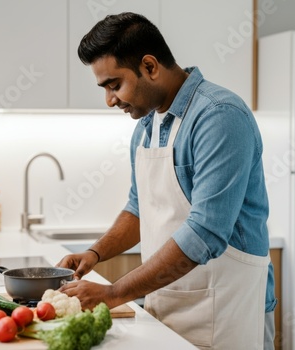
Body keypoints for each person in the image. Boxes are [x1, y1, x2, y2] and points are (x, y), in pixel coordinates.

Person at [57, 12, 277, 350]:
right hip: (168, 307)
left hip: (227, 312)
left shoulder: (219, 116)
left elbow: (205, 233)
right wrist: (96, 252)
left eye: (115, 85)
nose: (110, 100)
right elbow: (138, 208)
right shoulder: (147, 126)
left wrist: (114, 293)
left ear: (149, 66)